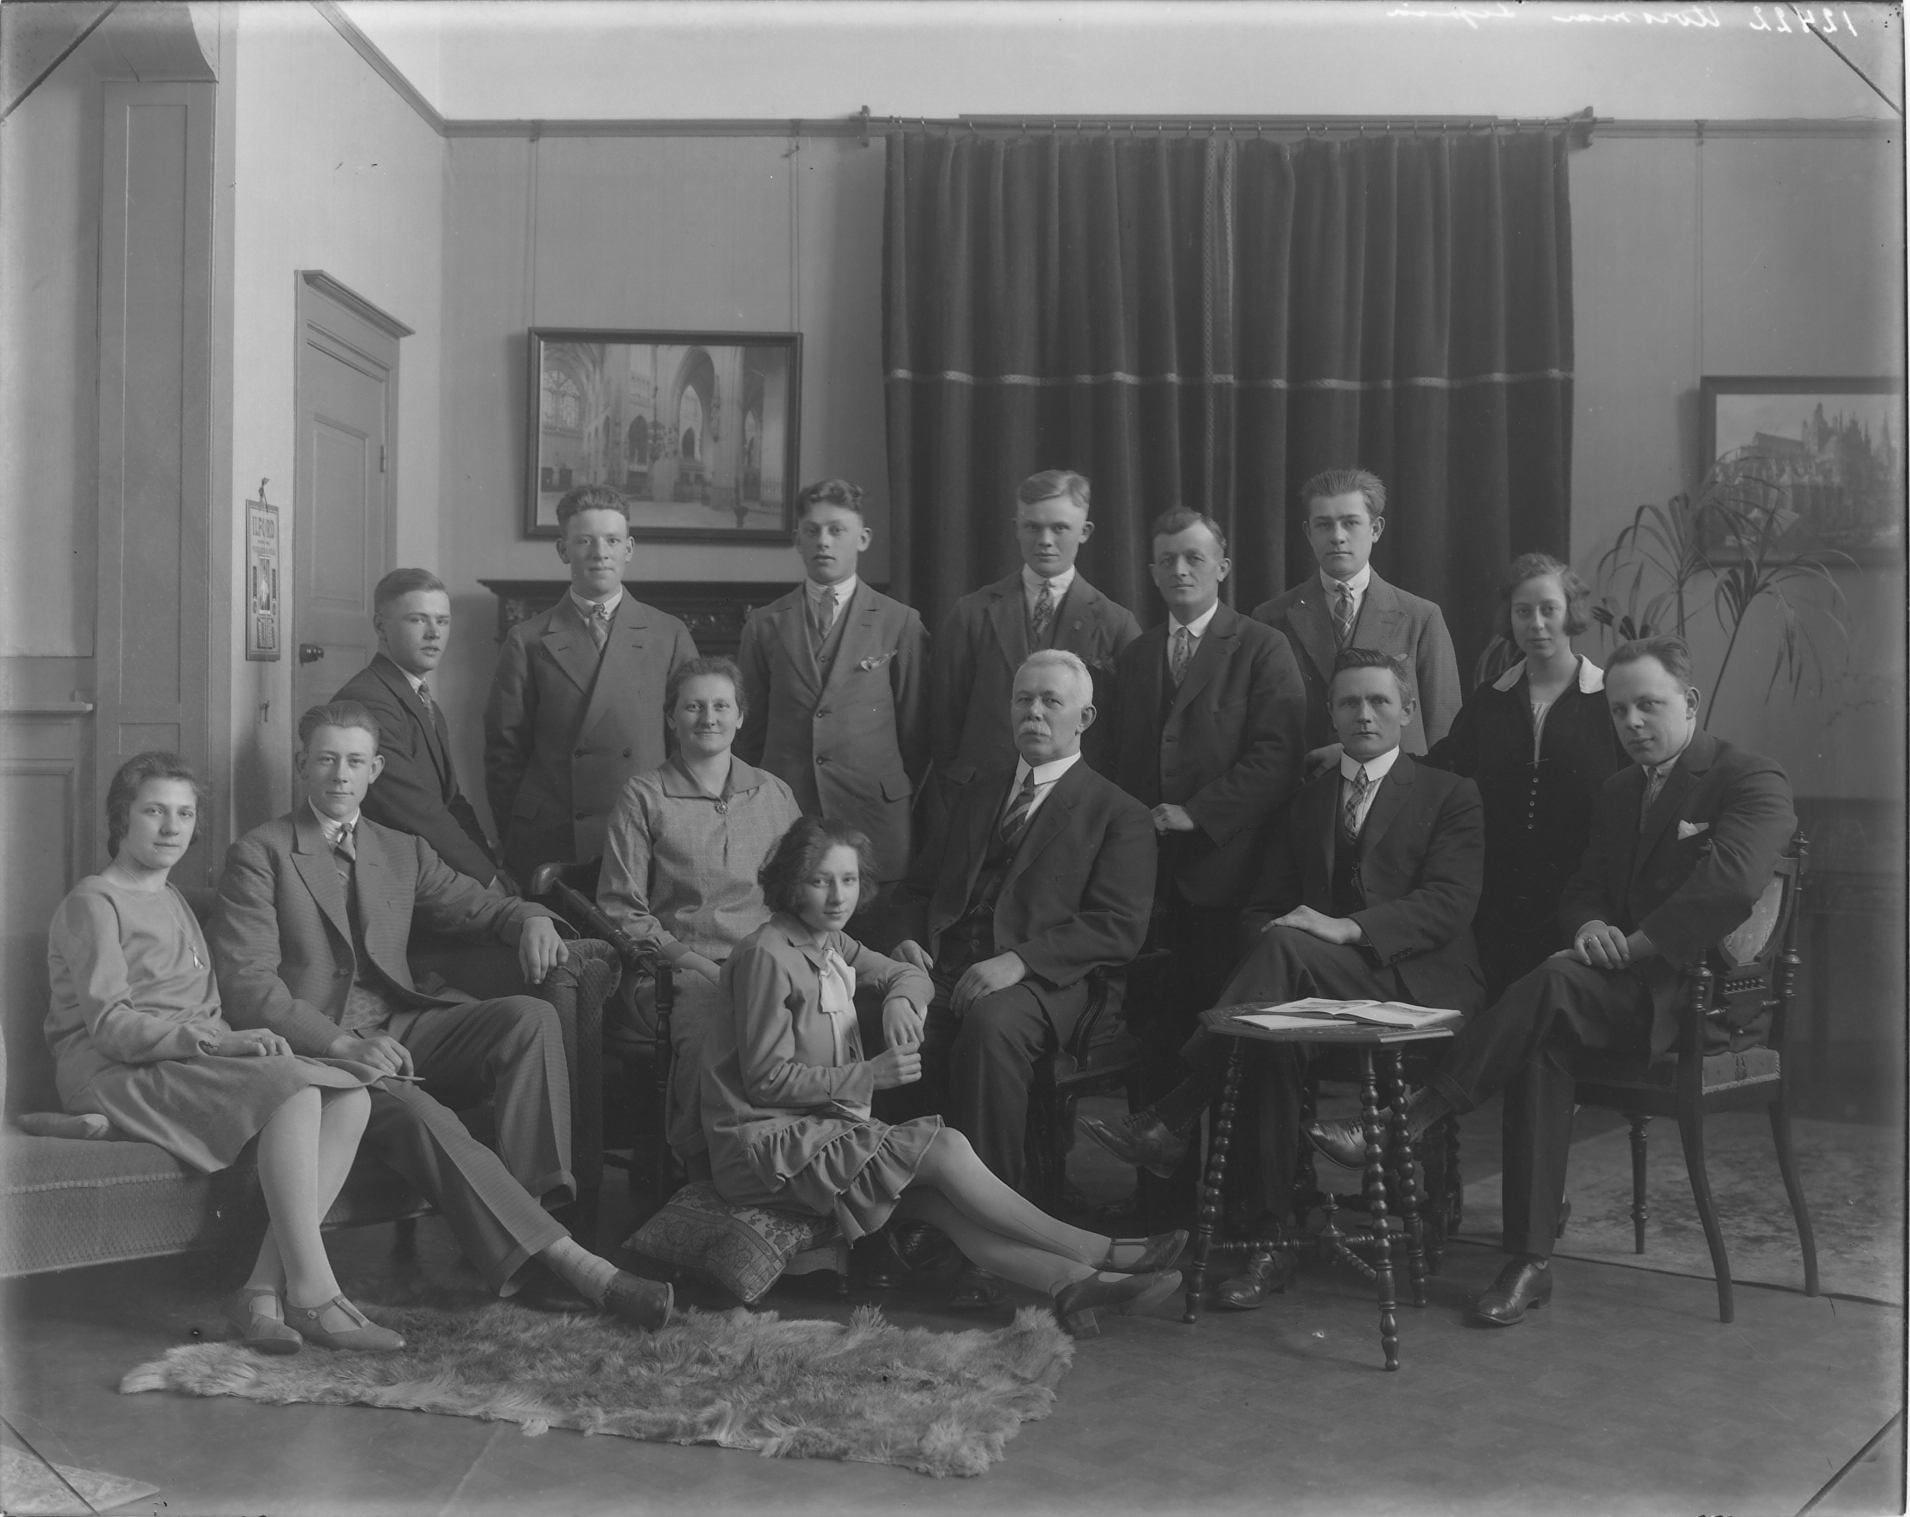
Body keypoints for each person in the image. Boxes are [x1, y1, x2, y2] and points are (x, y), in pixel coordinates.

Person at [1306, 637, 1797, 1326]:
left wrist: (1634, 944)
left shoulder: (1749, 778)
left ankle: (1407, 1119)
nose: (1632, 723)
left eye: (1649, 705)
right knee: (1544, 1035)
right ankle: (1529, 1260)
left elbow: (1732, 884)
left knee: (1554, 986)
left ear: (1689, 702)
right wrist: (1590, 925)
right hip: (1618, 991)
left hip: (1701, 1002)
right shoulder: (1621, 790)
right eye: (1619, 710)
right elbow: (1583, 885)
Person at [211, 702, 673, 1330]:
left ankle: (543, 1220)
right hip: (319, 1048)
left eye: (354, 761)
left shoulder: (401, 849)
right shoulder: (260, 853)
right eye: (326, 759)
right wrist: (340, 1044)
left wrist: (531, 918)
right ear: (302, 765)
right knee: (419, 1108)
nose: (340, 775)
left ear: (375, 770)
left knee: (529, 1018)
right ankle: (566, 1264)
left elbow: (479, 907)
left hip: (403, 1023)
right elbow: (249, 988)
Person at [1086, 648, 1486, 1309]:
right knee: (1266, 1038)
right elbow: (1263, 907)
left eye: (1379, 701)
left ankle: (1177, 1111)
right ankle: (1270, 1244)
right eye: (1349, 702)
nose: (1364, 714)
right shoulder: (1307, 802)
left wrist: (1345, 929)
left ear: (1408, 710)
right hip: (1314, 985)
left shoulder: (1449, 792)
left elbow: (1449, 903)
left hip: (1419, 984)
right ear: (1330, 712)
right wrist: (1279, 951)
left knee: (1282, 962)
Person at [702, 816, 1185, 1335]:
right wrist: (868, 1075)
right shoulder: (768, 956)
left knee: (939, 1205)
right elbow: (765, 1082)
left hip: (817, 1133)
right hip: (765, 1147)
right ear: (792, 884)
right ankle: (1104, 1251)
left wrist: (898, 999)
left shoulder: (829, 941)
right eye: (820, 881)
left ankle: (1074, 1283)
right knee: (946, 1146)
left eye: (849, 880)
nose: (839, 896)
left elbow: (908, 973)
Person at [47, 752, 399, 1353]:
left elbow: (205, 1008)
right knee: (293, 1089)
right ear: (121, 818)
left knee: (350, 1095)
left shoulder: (175, 899)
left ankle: (260, 1290)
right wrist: (216, 1043)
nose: (171, 827)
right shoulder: (95, 901)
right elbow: (110, 1027)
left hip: (184, 1058)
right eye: (154, 811)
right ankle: (314, 1293)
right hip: (112, 1068)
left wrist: (239, 1049)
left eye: (184, 814)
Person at [883, 651, 1157, 1306]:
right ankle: (894, 1225)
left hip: (1056, 984)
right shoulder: (975, 793)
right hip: (948, 967)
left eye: (1050, 702)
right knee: (875, 1015)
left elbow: (1118, 926)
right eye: (1022, 699)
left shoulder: (1117, 811)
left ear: (1085, 717)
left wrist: (1021, 961)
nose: (1033, 712)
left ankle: (993, 1239)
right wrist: (905, 944)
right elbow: (916, 888)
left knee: (990, 1026)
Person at [1105, 508, 1307, 1039]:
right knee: (1150, 1026)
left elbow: (1278, 757)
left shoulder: (1262, 646)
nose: (1180, 570)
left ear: (1222, 567)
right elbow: (1118, 760)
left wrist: (1196, 813)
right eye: (1167, 560)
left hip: (1230, 868)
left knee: (1219, 1022)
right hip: (1148, 874)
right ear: (1152, 572)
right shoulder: (1137, 655)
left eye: (1194, 558)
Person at [597, 656, 801, 1166]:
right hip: (675, 972)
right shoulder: (643, 796)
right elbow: (622, 909)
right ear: (671, 717)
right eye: (693, 707)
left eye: (721, 706)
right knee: (719, 1029)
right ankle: (710, 1172)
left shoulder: (774, 793)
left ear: (740, 716)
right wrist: (704, 968)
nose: (708, 718)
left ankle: (798, 1162)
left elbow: (801, 895)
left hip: (767, 963)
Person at [1420, 554, 1627, 997]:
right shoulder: (1490, 699)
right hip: (1494, 897)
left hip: (1583, 898)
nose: (1536, 624)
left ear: (1571, 611)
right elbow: (1440, 769)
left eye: (1548, 609)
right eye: (1522, 611)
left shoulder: (1609, 698)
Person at [484, 485, 699, 882]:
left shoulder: (668, 635)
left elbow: (690, 747)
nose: (600, 552)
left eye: (612, 540)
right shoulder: (528, 640)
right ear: (563, 550)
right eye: (585, 540)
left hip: (647, 831)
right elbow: (504, 753)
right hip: (555, 837)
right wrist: (517, 832)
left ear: (629, 549)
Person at [735, 478, 930, 882]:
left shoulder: (899, 622)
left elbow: (917, 731)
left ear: (863, 538)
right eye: (812, 531)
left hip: (873, 816)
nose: (823, 541)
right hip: (789, 815)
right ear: (797, 540)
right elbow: (748, 734)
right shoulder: (764, 624)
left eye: (837, 530)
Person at [928, 470, 1141, 793]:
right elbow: (943, 720)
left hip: (1073, 799)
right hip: (982, 794)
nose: (1045, 540)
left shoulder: (1115, 623)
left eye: (1059, 528)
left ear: (1084, 532)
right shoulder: (972, 613)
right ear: (1017, 528)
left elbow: (1130, 730)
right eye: (1033, 527)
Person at [1253, 468, 1461, 762]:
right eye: (1324, 525)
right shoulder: (1270, 617)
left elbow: (1444, 730)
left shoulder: (1421, 617)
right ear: (1308, 532)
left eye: (1350, 523)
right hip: (1306, 780)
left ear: (1375, 529)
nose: (1337, 537)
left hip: (1398, 783)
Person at [333, 568, 506, 890]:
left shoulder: (424, 703)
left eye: (442, 621)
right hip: (388, 878)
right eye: (417, 620)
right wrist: (488, 879)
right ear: (380, 626)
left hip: (426, 868)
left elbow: (452, 801)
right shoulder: (368, 701)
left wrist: (491, 870)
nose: (434, 633)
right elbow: (416, 810)